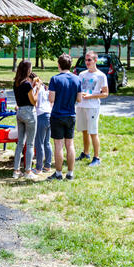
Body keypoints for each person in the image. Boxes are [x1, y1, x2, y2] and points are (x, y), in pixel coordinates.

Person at [47, 53, 82, 181]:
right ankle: (70, 173)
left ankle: (58, 173)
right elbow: (79, 99)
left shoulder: (55, 79)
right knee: (70, 144)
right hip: (71, 115)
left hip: (57, 115)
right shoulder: (77, 79)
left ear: (59, 65)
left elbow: (51, 98)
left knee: (58, 145)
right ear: (71, 65)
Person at [75, 51, 109, 167]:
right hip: (81, 106)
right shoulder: (82, 74)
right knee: (84, 130)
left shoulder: (101, 75)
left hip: (92, 107)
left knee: (93, 132)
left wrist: (91, 96)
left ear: (95, 60)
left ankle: (96, 157)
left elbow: (105, 93)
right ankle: (86, 153)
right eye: (86, 60)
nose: (87, 62)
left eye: (89, 60)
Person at [12, 60, 41, 180]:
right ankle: (28, 170)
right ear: (27, 70)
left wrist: (33, 87)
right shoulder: (27, 84)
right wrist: (37, 89)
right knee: (30, 143)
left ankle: (16, 170)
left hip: (20, 113)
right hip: (29, 113)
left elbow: (24, 97)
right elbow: (33, 101)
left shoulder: (16, 83)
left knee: (20, 143)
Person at [30, 72, 52, 175]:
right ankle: (47, 165)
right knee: (47, 142)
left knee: (39, 143)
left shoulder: (36, 89)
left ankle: (38, 168)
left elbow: (36, 103)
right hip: (49, 115)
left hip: (41, 116)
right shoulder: (45, 89)